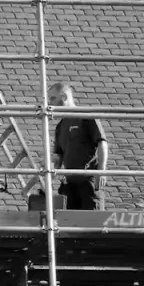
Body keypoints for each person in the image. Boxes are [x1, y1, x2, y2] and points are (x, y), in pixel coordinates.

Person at [49, 81, 109, 210]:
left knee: (92, 221)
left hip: (88, 179)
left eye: (53, 98)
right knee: (70, 223)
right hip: (70, 183)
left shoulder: (85, 117)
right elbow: (58, 156)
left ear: (64, 97)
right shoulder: (60, 126)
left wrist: (102, 171)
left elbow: (102, 142)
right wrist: (49, 173)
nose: (50, 103)